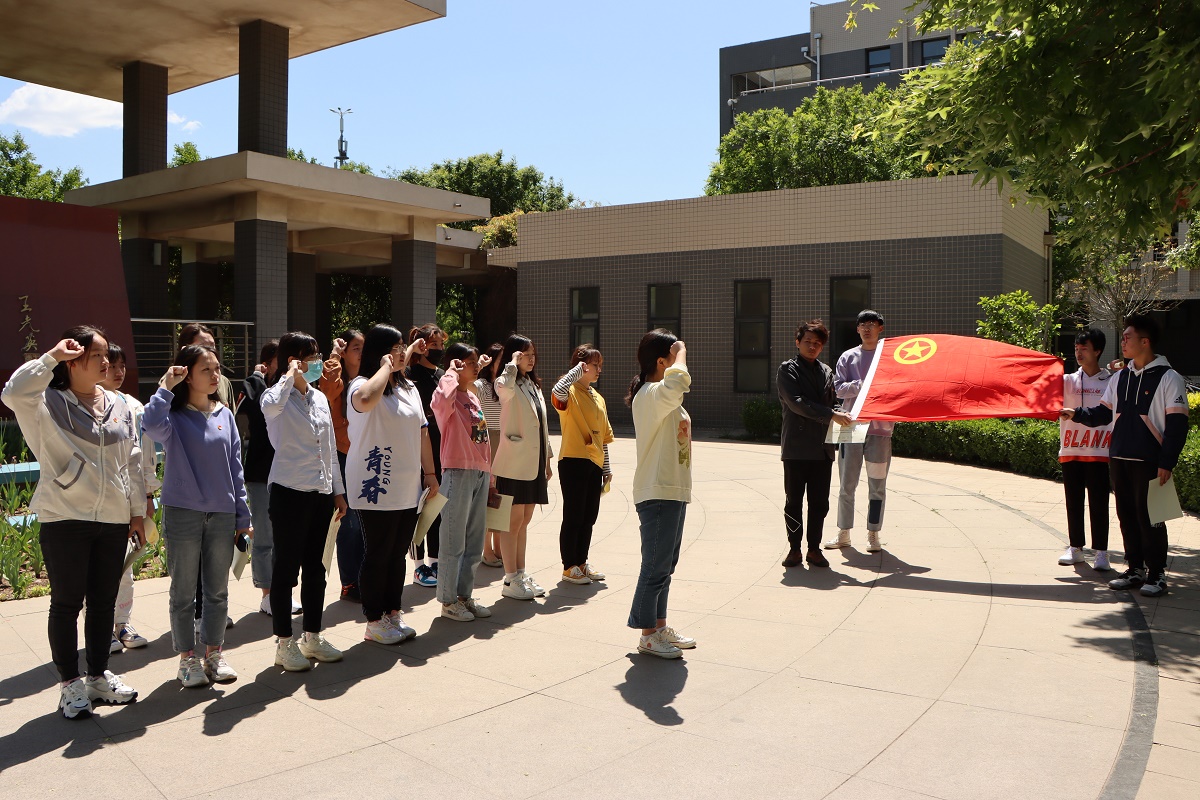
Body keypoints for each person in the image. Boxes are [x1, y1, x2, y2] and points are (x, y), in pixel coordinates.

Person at [2, 328, 144, 718]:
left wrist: (136, 511)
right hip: (65, 517)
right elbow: (12, 392)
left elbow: (132, 459)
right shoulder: (45, 402)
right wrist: (51, 357)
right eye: (96, 355)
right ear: (73, 362)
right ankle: (70, 684)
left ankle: (98, 676)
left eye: (106, 355)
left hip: (113, 518)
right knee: (66, 604)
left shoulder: (117, 404)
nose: (106, 362)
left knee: (102, 602)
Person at [143, 344, 253, 687]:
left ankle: (214, 654)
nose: (215, 375)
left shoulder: (225, 415)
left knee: (217, 591)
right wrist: (166, 386)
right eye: (206, 369)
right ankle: (187, 659)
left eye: (217, 368)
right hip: (183, 513)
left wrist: (243, 517)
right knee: (183, 592)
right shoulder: (173, 417)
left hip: (222, 513)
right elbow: (149, 424)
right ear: (187, 375)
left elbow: (236, 469)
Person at [1062, 315, 1188, 597]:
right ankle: (1134, 569)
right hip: (1119, 458)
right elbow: (1103, 413)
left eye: (1128, 337)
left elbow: (1177, 426)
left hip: (1150, 462)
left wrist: (1167, 462)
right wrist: (1076, 414)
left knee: (1151, 518)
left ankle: (1156, 574)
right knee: (1127, 516)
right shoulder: (1119, 377)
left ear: (1145, 342)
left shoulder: (1169, 378)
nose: (1123, 342)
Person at [260, 332, 350, 670]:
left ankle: (312, 636)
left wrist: (338, 491)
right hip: (289, 493)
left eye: (317, 355)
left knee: (316, 569)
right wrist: (288, 376)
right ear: (292, 361)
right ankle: (284, 642)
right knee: (286, 570)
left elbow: (329, 449)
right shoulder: (276, 397)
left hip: (321, 494)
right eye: (310, 357)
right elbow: (270, 405)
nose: (317, 363)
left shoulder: (320, 398)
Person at [347, 324, 439, 644]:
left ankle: (393, 613)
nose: (402, 353)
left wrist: (430, 474)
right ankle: (374, 621)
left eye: (402, 347)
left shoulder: (408, 387)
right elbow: (365, 400)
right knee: (378, 553)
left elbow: (423, 432)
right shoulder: (361, 384)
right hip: (375, 485)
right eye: (396, 348)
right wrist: (386, 367)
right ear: (380, 352)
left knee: (398, 553)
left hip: (407, 485)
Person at [626, 329, 696, 658]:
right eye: (672, 356)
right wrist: (681, 352)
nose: (679, 360)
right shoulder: (650, 393)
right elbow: (678, 382)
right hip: (657, 491)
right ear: (661, 362)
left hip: (673, 488)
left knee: (666, 565)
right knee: (655, 565)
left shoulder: (659, 394)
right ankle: (647, 634)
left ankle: (659, 625)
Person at [778, 320, 852, 568]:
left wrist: (844, 413)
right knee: (794, 501)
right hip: (796, 448)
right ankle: (794, 549)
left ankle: (813, 549)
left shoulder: (826, 371)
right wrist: (831, 414)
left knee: (820, 503)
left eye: (817, 343)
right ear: (797, 342)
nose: (812, 346)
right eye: (808, 341)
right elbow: (796, 402)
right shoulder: (787, 370)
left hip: (823, 449)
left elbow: (833, 402)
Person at [430, 343, 494, 622]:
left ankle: (464, 596)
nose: (475, 366)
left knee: (474, 542)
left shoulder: (472, 396)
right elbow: (439, 401)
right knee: (452, 540)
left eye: (475, 361)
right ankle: (448, 601)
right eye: (469, 362)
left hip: (480, 472)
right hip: (457, 471)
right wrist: (451, 373)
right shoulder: (448, 395)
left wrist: (489, 474)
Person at [99, 343, 155, 653]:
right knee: (97, 567)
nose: (118, 372)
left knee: (125, 565)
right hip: (96, 499)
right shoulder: (83, 403)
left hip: (127, 497)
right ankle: (101, 627)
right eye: (112, 365)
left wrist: (147, 495)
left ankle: (122, 623)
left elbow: (144, 456)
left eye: (122, 366)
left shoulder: (134, 406)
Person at [239, 339, 301, 616]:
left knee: (285, 539)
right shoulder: (257, 387)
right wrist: (256, 376)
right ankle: (267, 594)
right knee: (265, 537)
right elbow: (249, 409)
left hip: (287, 472)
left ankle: (283, 591)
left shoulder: (292, 388)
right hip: (260, 473)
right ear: (268, 362)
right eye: (282, 359)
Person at [493, 333, 554, 601]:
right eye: (524, 354)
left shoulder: (532, 384)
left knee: (525, 520)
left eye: (532, 354)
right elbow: (503, 390)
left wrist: (547, 459)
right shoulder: (506, 382)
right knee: (512, 521)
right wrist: (511, 364)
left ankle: (520, 573)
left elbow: (542, 425)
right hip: (514, 462)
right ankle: (510, 578)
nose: (530, 359)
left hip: (534, 462)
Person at [827, 310, 894, 553]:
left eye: (872, 324)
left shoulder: (889, 357)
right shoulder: (848, 357)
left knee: (877, 485)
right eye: (863, 324)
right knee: (847, 484)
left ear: (880, 328)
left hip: (881, 429)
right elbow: (838, 390)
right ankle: (843, 532)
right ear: (857, 329)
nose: (867, 328)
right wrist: (863, 384)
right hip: (850, 427)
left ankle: (873, 533)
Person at [551, 344, 614, 585]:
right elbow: (557, 390)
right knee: (574, 515)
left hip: (594, 462)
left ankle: (582, 562)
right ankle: (569, 566)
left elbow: (603, 438)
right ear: (582, 366)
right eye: (595, 365)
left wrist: (606, 468)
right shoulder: (570, 391)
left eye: (600, 365)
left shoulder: (598, 397)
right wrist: (576, 370)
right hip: (573, 460)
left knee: (589, 517)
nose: (599, 369)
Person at [1058, 329, 1114, 571]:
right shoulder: (1066, 381)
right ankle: (1075, 548)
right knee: (1073, 502)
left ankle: (1101, 552)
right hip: (1071, 449)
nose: (1079, 353)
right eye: (1076, 349)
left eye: (1084, 349)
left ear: (1098, 351)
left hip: (1100, 451)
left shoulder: (1111, 381)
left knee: (1099, 502)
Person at [319, 329, 367, 601]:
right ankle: (349, 582)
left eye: (363, 348)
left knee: (366, 520)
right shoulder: (339, 380)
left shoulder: (370, 378)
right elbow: (327, 387)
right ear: (345, 352)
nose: (361, 353)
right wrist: (334, 356)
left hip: (368, 454)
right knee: (349, 521)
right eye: (355, 348)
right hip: (343, 453)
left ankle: (364, 577)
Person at [405, 323, 447, 588]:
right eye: (433, 345)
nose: (439, 349)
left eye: (441, 344)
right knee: (419, 509)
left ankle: (435, 560)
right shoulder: (410, 374)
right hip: (417, 450)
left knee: (437, 509)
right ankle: (418, 565)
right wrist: (411, 351)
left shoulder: (442, 376)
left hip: (441, 449)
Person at [475, 342, 505, 568]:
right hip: (488, 440)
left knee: (502, 497)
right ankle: (486, 549)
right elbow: (468, 387)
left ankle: (498, 547)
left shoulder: (506, 385)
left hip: (505, 441)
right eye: (501, 360)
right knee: (488, 496)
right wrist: (478, 366)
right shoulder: (483, 385)